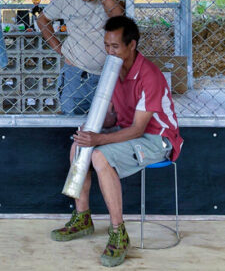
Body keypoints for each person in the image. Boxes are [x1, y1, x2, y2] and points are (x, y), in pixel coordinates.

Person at [51, 15, 183, 268]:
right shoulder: (112, 70)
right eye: (106, 45)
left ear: (131, 45)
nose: (109, 51)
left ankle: (118, 233)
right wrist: (91, 129)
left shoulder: (150, 76)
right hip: (129, 134)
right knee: (79, 146)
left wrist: (99, 138)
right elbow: (112, 117)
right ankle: (82, 218)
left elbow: (137, 129)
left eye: (115, 47)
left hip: (158, 140)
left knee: (99, 155)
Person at [36, 0, 125, 114]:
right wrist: (59, 48)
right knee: (71, 125)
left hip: (110, 74)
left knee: (109, 126)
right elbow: (42, 20)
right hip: (76, 75)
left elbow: (118, 16)